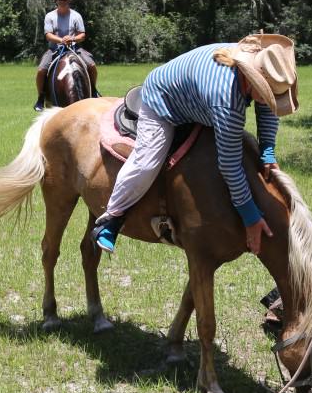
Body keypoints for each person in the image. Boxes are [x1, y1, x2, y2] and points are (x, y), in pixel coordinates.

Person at [92, 34, 299, 255]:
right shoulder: (226, 99)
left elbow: (268, 106)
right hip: (163, 100)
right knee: (147, 161)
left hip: (198, 99)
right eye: (266, 94)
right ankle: (111, 218)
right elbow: (230, 164)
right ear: (252, 79)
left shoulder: (258, 64)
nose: (270, 101)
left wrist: (267, 151)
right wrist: (250, 217)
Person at [35, 0, 100, 111]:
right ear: (56, 1)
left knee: (91, 65)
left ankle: (93, 90)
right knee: (41, 70)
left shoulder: (76, 16)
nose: (63, 1)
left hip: (74, 48)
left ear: (69, 0)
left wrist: (72, 38)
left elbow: (82, 35)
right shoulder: (50, 16)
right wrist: (61, 40)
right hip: (54, 49)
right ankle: (41, 97)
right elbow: (48, 35)